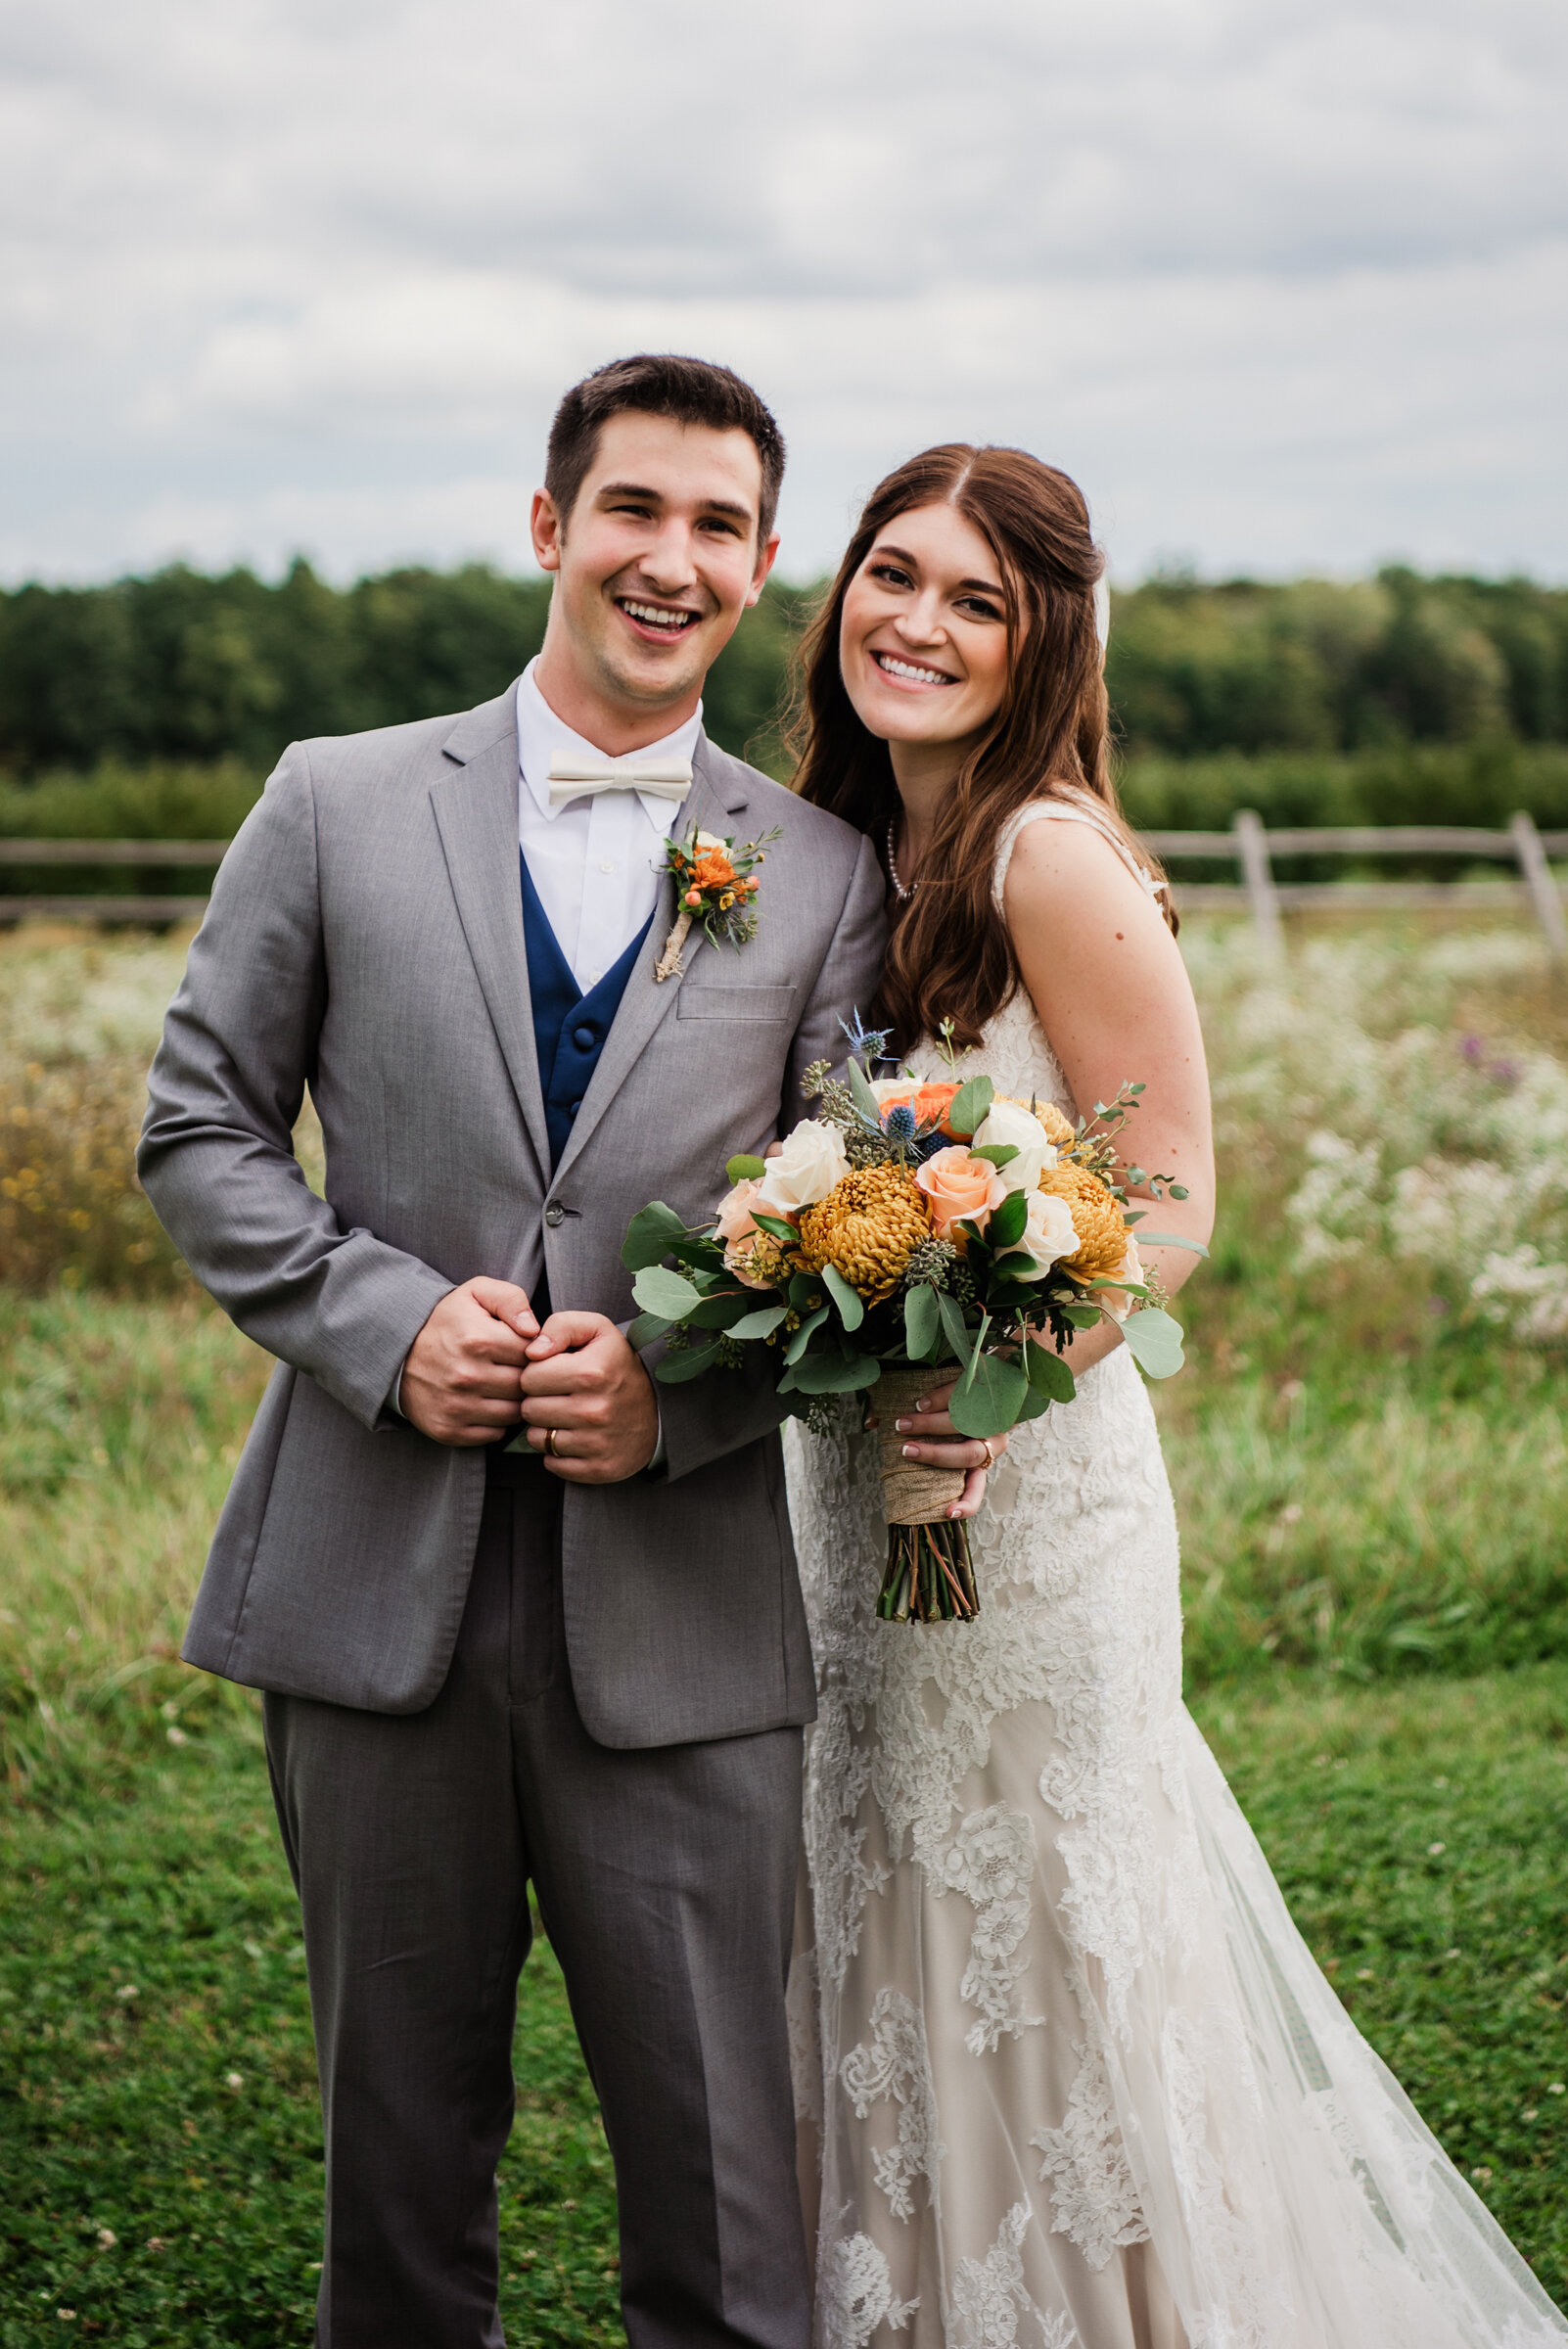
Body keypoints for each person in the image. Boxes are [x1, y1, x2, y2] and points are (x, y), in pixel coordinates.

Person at [137, 354, 995, 2349]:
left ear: (765, 567)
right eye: (634, 509)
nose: (669, 558)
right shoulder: (332, 799)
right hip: (369, 1603)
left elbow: (859, 1221)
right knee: (399, 2189)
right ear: (550, 526)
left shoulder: (828, 871)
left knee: (725, 2205)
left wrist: (682, 1392)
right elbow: (196, 1127)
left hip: (680, 1624)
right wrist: (385, 1325)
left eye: (717, 526)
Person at [783, 443, 1568, 2348]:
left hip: (1019, 1500)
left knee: (1040, 1937)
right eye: (897, 574)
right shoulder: (826, 850)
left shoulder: (1049, 855)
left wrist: (993, 1372)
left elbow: (1175, 1194)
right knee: (886, 1924)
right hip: (848, 1513)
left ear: (1046, 642)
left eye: (981, 600)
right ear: (840, 596)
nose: (922, 623)